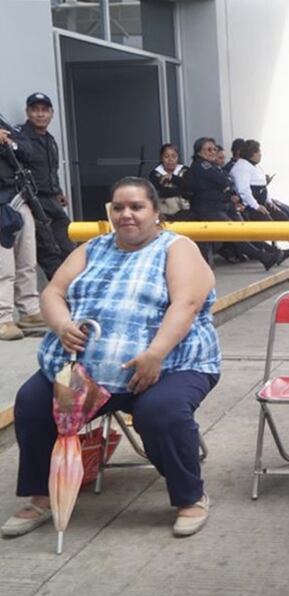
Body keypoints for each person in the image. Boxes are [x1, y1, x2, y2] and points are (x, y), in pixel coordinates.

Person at [3, 177, 220, 539]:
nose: (126, 215)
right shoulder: (93, 248)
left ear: (155, 212)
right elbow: (53, 291)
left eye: (137, 207)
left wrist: (155, 354)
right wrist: (61, 324)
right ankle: (42, 497)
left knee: (159, 412)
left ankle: (191, 497)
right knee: (33, 403)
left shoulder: (176, 248)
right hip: (87, 372)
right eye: (118, 207)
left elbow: (187, 303)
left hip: (171, 366)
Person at [188, 137, 283, 270]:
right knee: (234, 233)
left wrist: (227, 190)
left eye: (214, 149)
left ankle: (273, 252)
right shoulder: (201, 166)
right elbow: (223, 180)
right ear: (199, 152)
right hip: (209, 209)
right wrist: (226, 188)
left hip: (223, 206)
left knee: (243, 230)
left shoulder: (213, 166)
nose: (212, 152)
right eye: (208, 149)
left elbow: (227, 181)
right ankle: (264, 256)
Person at [17, 93, 74, 281]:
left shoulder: (49, 139)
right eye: (35, 110)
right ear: (28, 112)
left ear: (52, 113)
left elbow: (52, 170)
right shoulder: (20, 138)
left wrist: (58, 192)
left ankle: (73, 288)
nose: (40, 115)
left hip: (52, 200)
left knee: (68, 244)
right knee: (49, 250)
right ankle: (59, 294)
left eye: (44, 110)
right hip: (33, 201)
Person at [0, 126, 43, 342]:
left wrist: (9, 143)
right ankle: (3, 318)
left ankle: (29, 310)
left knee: (27, 259)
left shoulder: (6, 125)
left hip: (16, 198)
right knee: (3, 267)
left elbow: (28, 150)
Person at [148, 143, 189, 220]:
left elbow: (190, 188)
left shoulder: (185, 170)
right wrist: (181, 191)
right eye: (166, 156)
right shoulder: (155, 174)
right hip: (164, 211)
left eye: (174, 156)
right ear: (161, 158)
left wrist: (173, 178)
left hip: (184, 211)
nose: (170, 160)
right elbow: (159, 192)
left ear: (178, 158)